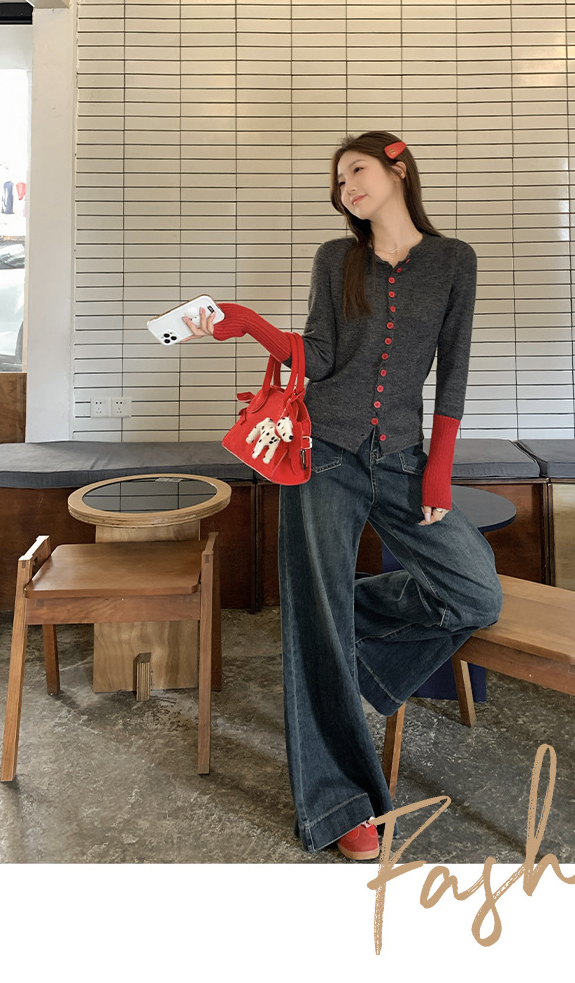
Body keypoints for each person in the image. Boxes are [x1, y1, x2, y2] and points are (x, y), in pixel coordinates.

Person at [183, 131, 502, 861]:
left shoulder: (454, 260)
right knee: (317, 614)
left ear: (397, 166)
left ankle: (336, 637)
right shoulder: (337, 258)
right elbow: (319, 357)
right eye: (337, 181)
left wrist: (439, 469)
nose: (345, 186)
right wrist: (249, 324)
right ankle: (340, 806)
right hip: (321, 452)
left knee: (473, 592)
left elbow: (453, 371)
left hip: (402, 457)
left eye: (355, 169)